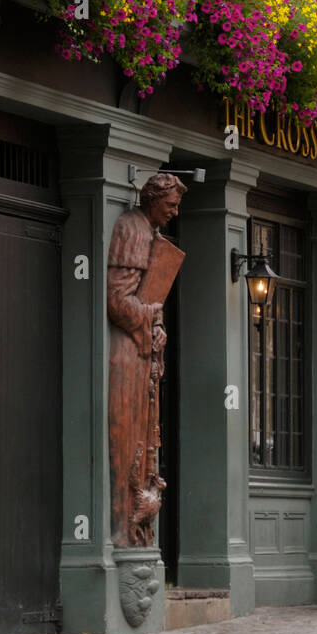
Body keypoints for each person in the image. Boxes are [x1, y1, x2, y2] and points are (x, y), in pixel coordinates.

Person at [107, 173, 185, 546]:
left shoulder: (151, 234)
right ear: (151, 198)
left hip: (142, 352)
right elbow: (118, 301)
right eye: (170, 204)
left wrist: (157, 325)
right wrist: (151, 315)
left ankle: (137, 522)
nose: (174, 211)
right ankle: (126, 524)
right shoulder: (132, 229)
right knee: (131, 442)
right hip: (126, 354)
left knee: (146, 439)